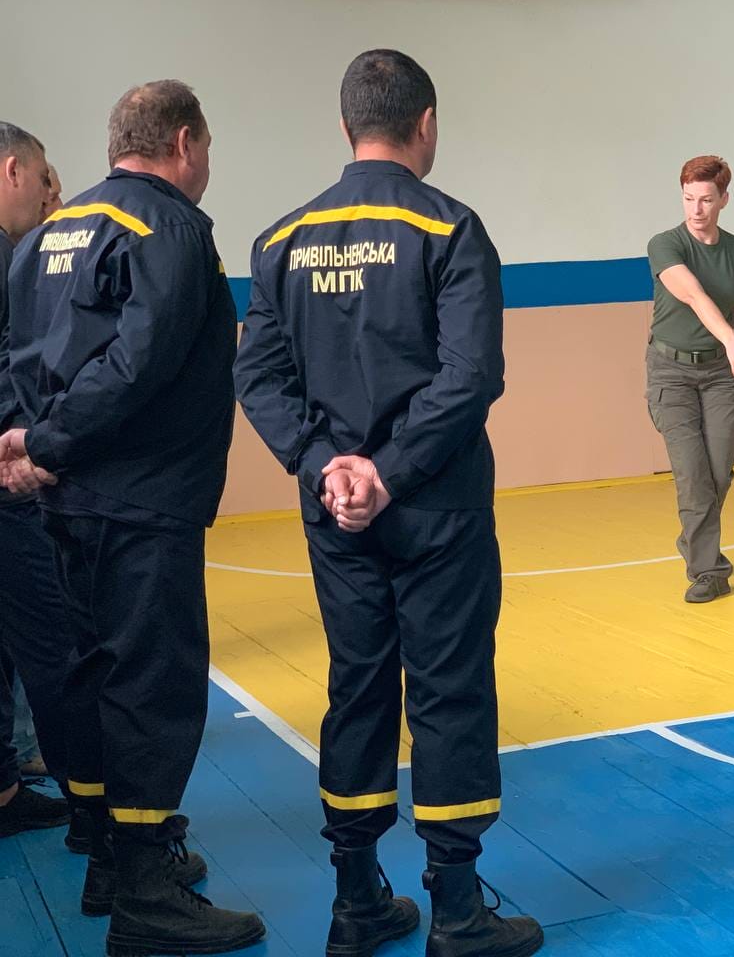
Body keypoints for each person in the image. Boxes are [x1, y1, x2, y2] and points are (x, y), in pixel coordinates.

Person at [235, 49, 542, 957]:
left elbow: (258, 373)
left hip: (335, 514)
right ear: (428, 121)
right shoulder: (451, 231)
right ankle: (455, 907)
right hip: (436, 506)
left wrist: (329, 465)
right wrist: (392, 470)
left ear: (345, 128)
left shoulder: (281, 240)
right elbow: (471, 375)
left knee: (356, 684)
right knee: (448, 689)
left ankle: (356, 898)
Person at [1, 83, 264, 954]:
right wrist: (55, 439)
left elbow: (27, 360)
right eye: (209, 148)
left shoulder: (46, 236)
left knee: (84, 678)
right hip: (143, 504)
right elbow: (139, 363)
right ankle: (149, 895)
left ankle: (111, 859)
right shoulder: (174, 230)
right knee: (152, 688)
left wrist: (38, 447)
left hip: (65, 503)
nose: (209, 167)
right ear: (182, 141)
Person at [646, 155, 734, 603]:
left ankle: (693, 540)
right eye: (687, 198)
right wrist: (733, 344)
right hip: (670, 373)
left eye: (705, 200)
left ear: (723, 200)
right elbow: (695, 296)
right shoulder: (665, 244)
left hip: (720, 375)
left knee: (718, 471)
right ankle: (708, 569)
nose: (695, 209)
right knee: (693, 474)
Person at [0, 120, 71, 840]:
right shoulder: (10, 261)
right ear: (16, 171)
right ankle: (99, 813)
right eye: (41, 178)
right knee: (51, 642)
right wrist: (30, 447)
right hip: (8, 487)